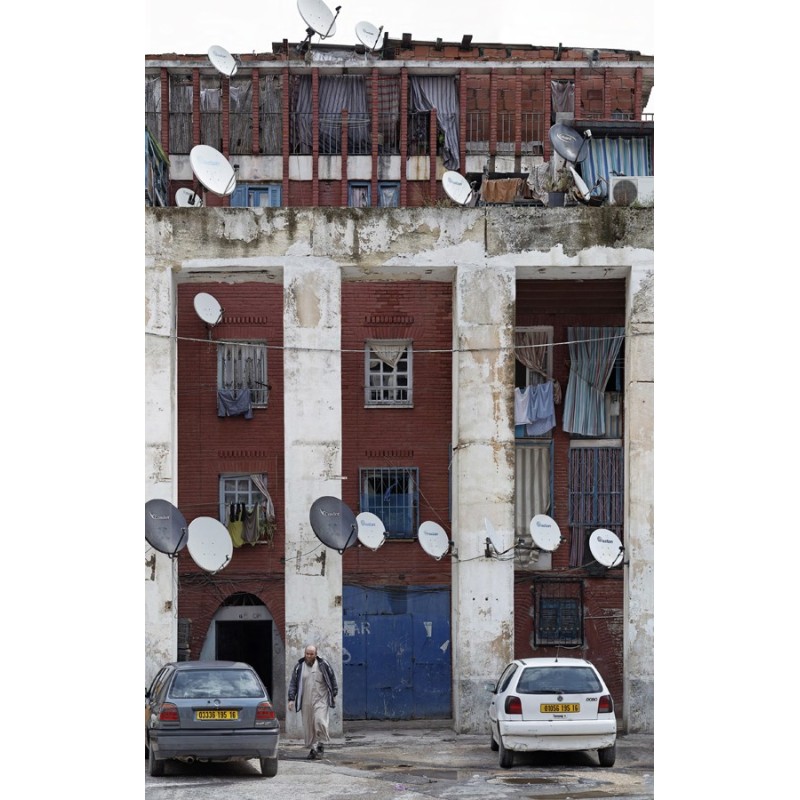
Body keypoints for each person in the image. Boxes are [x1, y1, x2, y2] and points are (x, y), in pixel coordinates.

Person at [287, 644, 338, 760]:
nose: (309, 656)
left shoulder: (323, 664)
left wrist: (334, 693)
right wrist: (291, 699)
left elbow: (332, 678)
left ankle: (320, 744)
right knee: (309, 726)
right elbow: (293, 683)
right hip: (306, 701)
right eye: (307, 654)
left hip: (321, 699)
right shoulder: (299, 666)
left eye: (311, 654)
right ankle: (315, 748)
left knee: (320, 721)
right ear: (304, 654)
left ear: (316, 654)